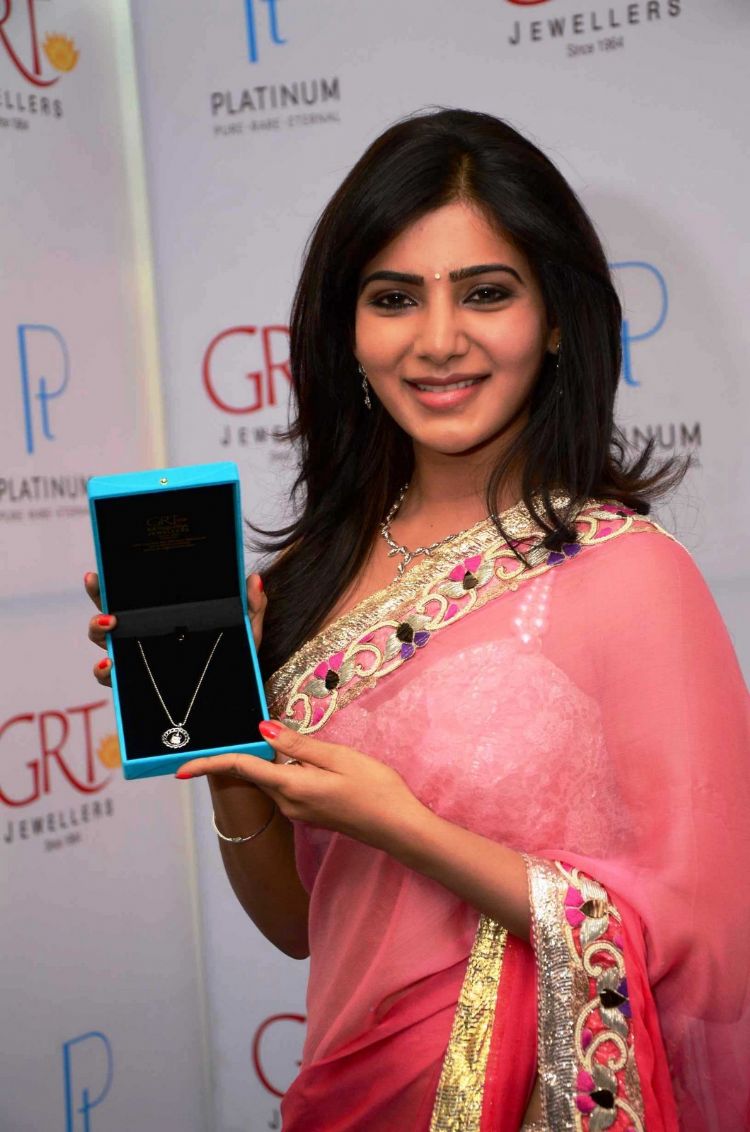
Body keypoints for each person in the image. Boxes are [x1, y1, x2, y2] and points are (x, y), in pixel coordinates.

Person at [87, 109, 749, 1130]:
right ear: (347, 331)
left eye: (486, 292)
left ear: (558, 317)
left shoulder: (631, 576)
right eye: (394, 298)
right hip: (343, 1087)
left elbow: (708, 935)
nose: (439, 341)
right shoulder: (311, 577)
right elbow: (304, 928)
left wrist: (406, 827)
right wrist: (225, 746)